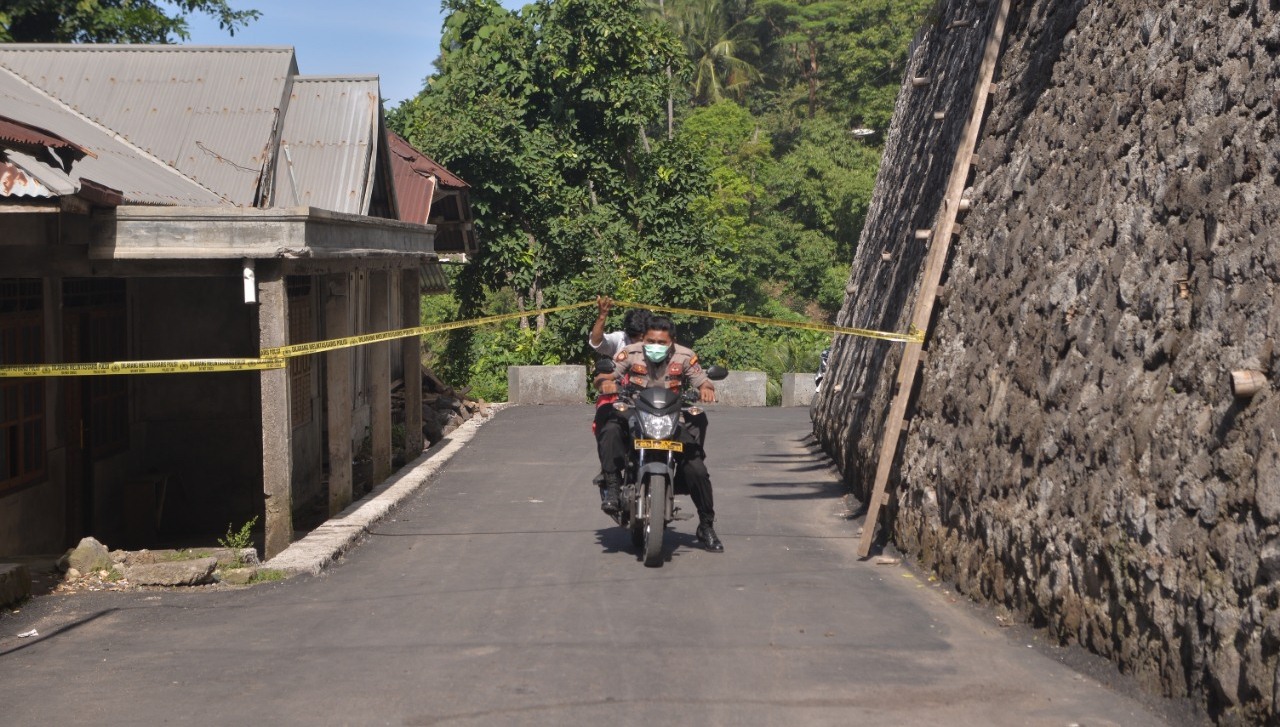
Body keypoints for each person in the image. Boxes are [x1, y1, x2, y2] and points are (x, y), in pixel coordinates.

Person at [593, 316, 723, 553]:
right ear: (643, 339)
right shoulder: (631, 353)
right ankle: (612, 484)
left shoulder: (685, 356)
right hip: (635, 413)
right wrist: (605, 383)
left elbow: (703, 381)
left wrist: (706, 389)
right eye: (651, 341)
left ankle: (706, 525)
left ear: (672, 341)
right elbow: (605, 376)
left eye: (662, 342)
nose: (655, 346)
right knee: (610, 426)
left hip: (672, 418)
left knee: (697, 468)